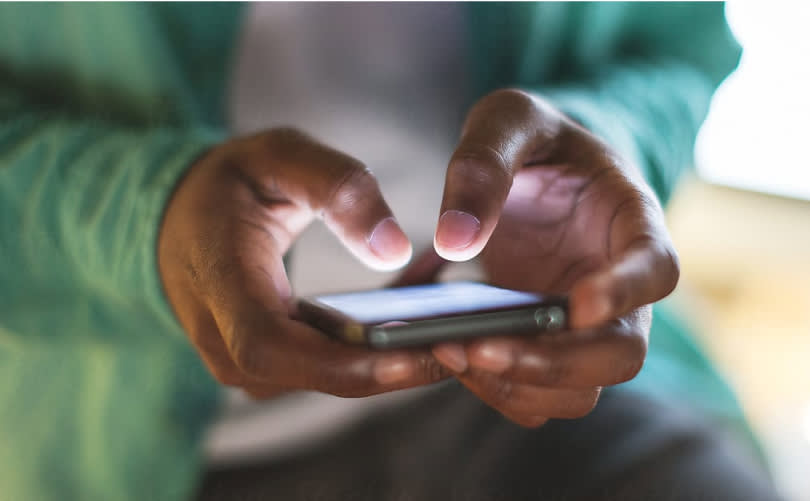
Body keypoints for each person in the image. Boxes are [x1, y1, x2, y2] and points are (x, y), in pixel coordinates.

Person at [0, 2, 782, 500]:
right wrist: (146, 216)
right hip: (130, 453)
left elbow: (679, 42)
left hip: (532, 399)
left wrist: (611, 140)